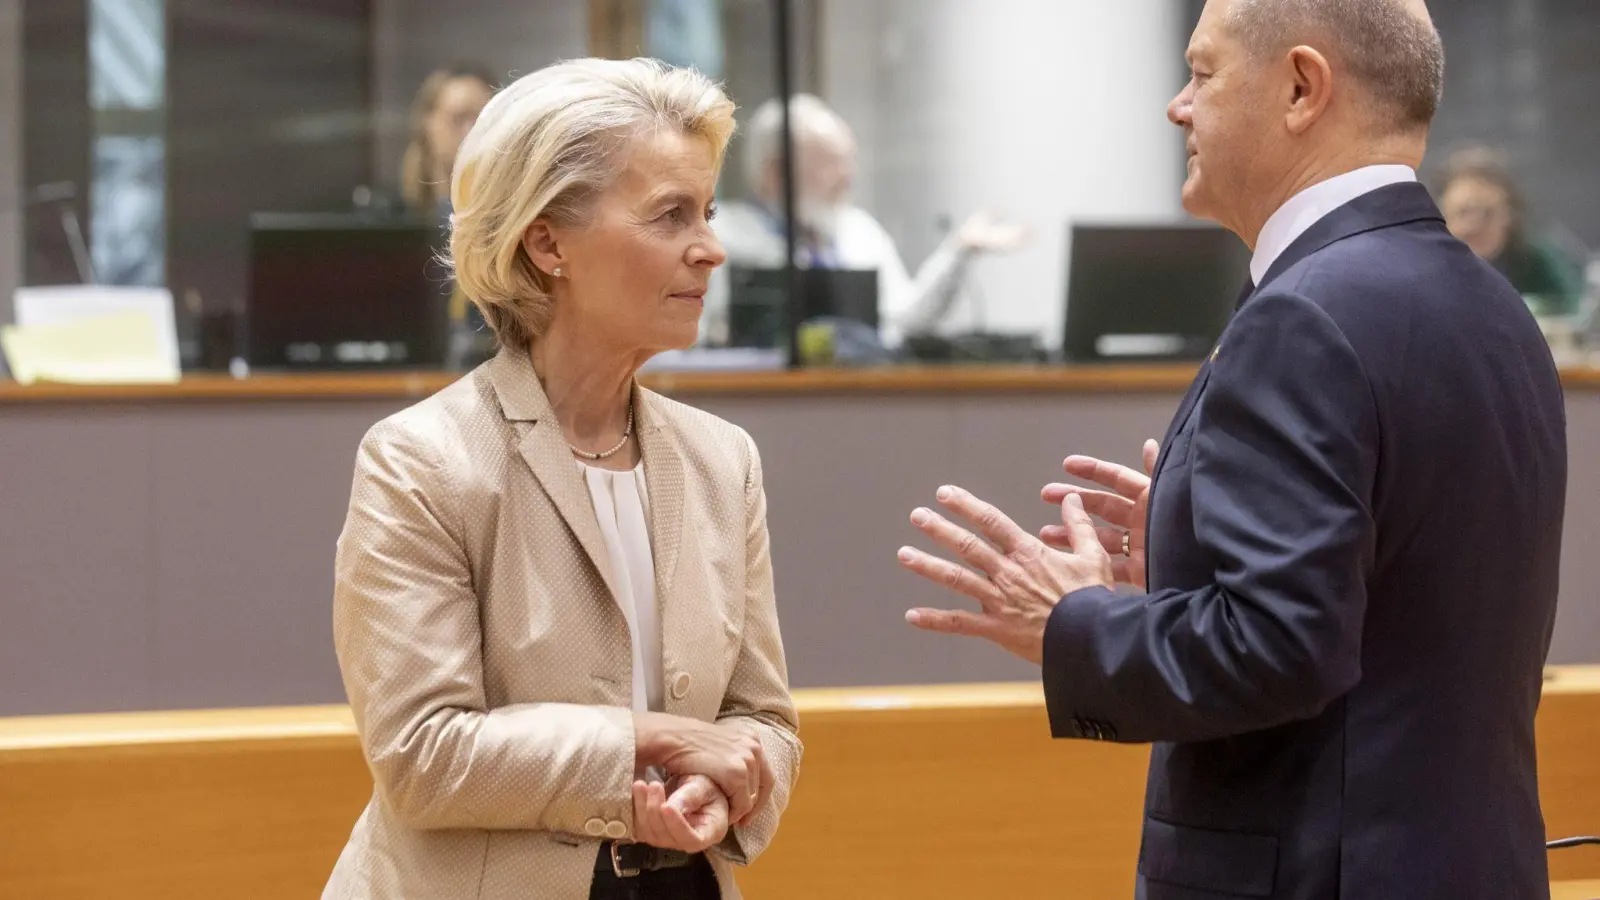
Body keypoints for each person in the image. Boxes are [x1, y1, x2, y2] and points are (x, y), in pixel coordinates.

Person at [895, 1, 1567, 898]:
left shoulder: (1306, 312)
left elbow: (1281, 646)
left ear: (1300, 87)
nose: (1178, 106)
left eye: (1203, 73)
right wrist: (1188, 549)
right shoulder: (1494, 307)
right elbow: (1398, 592)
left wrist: (1074, 620)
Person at [324, 58, 802, 900]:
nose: (713, 248)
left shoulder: (724, 460)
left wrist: (715, 788)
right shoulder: (421, 459)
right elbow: (422, 754)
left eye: (710, 211)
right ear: (548, 242)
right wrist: (655, 743)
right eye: (671, 215)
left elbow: (762, 720)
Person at [705, 93, 1027, 348]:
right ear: (777, 173)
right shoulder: (720, 238)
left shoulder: (860, 231)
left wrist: (960, 251)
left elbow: (906, 322)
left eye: (849, 162)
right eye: (830, 163)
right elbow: (705, 338)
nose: (848, 178)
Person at [398, 63, 500, 368]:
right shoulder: (403, 223)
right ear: (428, 124)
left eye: (481, 119)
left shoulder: (517, 226)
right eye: (458, 118)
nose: (470, 132)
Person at [1435, 145, 1586, 317]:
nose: (1474, 225)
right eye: (1463, 212)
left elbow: (1571, 306)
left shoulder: (1535, 260)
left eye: (1487, 213)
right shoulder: (1425, 263)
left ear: (1508, 216)